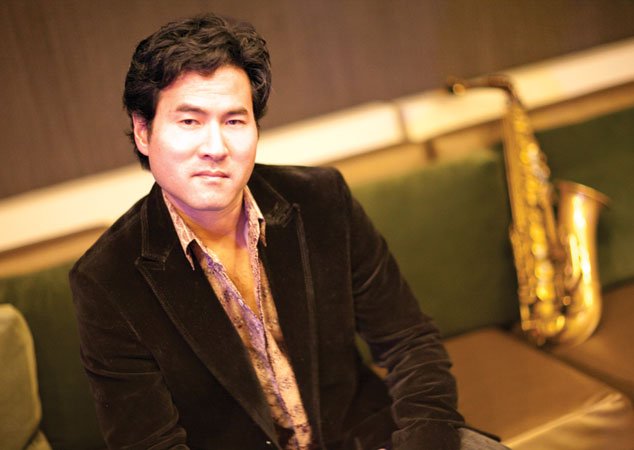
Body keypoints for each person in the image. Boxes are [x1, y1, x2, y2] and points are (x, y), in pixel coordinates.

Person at [70, 13, 507, 450]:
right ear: (143, 131)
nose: (215, 148)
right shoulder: (105, 280)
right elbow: (151, 443)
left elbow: (409, 341)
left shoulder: (321, 199)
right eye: (189, 122)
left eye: (234, 121)